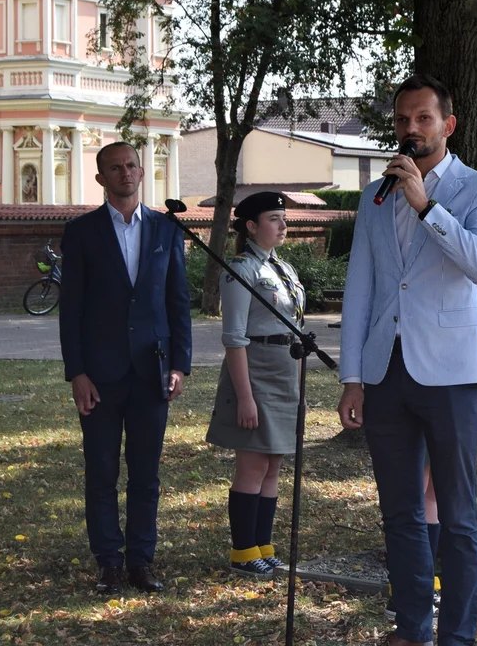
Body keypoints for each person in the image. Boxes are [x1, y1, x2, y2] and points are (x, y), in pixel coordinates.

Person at [337, 74, 477, 646]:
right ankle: (413, 628)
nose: (411, 129)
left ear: (447, 125)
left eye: (423, 118)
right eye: (403, 119)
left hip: (452, 374)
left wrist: (427, 205)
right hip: (386, 372)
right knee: (400, 512)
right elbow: (362, 286)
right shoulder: (374, 195)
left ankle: (458, 636)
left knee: (458, 516)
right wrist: (353, 376)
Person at [59, 141, 192, 595]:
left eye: (132, 165)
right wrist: (76, 371)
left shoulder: (166, 230)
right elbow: (71, 308)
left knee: (146, 474)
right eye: (114, 167)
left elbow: (178, 304)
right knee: (100, 472)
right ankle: (108, 562)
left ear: (142, 171)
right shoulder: (81, 233)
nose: (125, 172)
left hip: (151, 371)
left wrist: (180, 365)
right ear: (100, 178)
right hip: (98, 375)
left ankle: (141, 561)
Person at [205, 191, 305, 580]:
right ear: (250, 226)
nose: (283, 225)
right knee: (253, 464)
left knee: (274, 464)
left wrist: (299, 393)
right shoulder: (241, 271)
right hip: (256, 373)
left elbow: (294, 330)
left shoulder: (285, 269)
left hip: (285, 372)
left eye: (284, 218)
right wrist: (244, 398)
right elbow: (234, 338)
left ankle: (262, 547)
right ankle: (242, 551)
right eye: (273, 219)